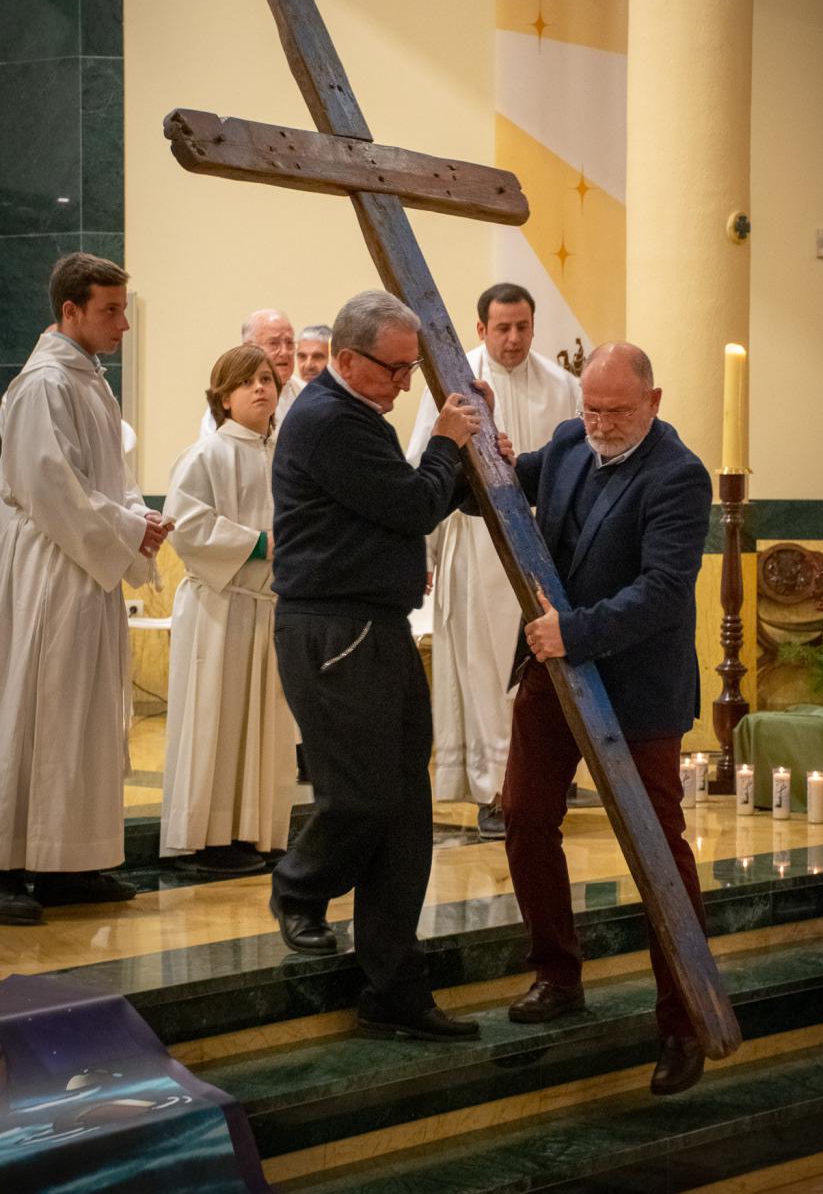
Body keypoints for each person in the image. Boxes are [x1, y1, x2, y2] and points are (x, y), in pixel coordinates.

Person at [270, 290, 494, 1041]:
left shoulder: (356, 416)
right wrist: (443, 440)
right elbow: (408, 505)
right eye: (394, 370)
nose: (404, 385)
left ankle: (394, 987)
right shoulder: (327, 419)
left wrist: (468, 441)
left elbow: (428, 499)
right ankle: (298, 890)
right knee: (361, 797)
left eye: (410, 370)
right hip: (334, 629)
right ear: (343, 360)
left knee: (403, 814)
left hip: (376, 627)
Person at [501, 342, 713, 1098]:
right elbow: (500, 484)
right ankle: (556, 975)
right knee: (523, 815)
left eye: (616, 411)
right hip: (554, 677)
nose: (599, 423)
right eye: (590, 407)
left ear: (653, 402)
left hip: (635, 687)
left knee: (657, 849)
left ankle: (683, 1018)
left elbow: (661, 592)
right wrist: (482, 452)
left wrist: (576, 631)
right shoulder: (565, 443)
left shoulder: (679, 476)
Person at [0, 253, 172, 925]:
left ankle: (66, 862)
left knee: (83, 716)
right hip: (51, 567)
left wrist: (139, 520)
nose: (123, 323)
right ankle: (9, 863)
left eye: (123, 309)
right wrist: (128, 529)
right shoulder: (45, 384)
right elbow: (51, 488)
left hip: (86, 566)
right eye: (110, 310)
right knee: (38, 712)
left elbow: (111, 478)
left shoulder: (89, 379)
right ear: (70, 310)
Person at [406, 283, 579, 838]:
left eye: (523, 326)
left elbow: (575, 468)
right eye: (501, 327)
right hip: (475, 546)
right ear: (479, 329)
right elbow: (422, 464)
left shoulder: (563, 386)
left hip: (540, 547)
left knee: (539, 669)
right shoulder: (453, 386)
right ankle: (493, 790)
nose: (513, 338)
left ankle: (545, 778)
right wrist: (423, 553)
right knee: (482, 669)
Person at [160, 344, 297, 875]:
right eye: (247, 382)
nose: (261, 387)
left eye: (267, 378)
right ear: (223, 396)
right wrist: (261, 545)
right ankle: (204, 838)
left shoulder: (286, 453)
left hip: (269, 606)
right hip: (220, 606)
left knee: (265, 724)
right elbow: (185, 525)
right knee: (214, 719)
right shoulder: (206, 454)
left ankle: (255, 832)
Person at [199, 309, 302, 437]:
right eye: (274, 343)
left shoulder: (305, 390)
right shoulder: (231, 404)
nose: (285, 352)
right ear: (248, 347)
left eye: (289, 343)